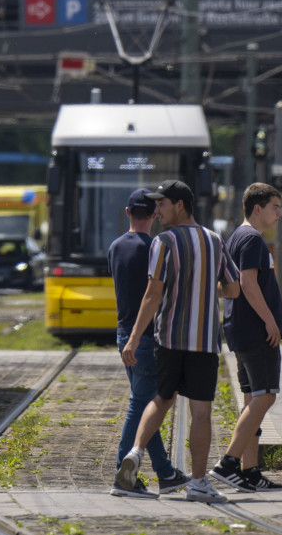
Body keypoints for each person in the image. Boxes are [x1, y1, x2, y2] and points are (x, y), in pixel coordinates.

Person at [115, 179, 241, 504]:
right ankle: (198, 483)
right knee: (201, 412)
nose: (156, 211)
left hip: (169, 338)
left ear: (179, 205)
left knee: (160, 398)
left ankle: (136, 453)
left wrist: (132, 340)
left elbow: (152, 295)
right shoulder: (215, 241)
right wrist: (208, 288)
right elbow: (233, 288)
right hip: (203, 342)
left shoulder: (164, 242)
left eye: (162, 204)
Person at [108, 187, 189, 498]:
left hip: (123, 334)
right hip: (146, 337)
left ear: (128, 213)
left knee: (146, 405)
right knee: (141, 404)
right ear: (155, 215)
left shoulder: (116, 247)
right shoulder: (156, 247)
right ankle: (123, 475)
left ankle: (165, 472)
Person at [210, 183, 282, 492]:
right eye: (275, 207)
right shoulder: (252, 239)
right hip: (255, 331)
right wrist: (270, 321)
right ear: (258, 208)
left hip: (238, 328)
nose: (279, 213)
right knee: (266, 396)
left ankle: (250, 470)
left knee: (253, 398)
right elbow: (247, 283)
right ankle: (228, 463)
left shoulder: (237, 236)